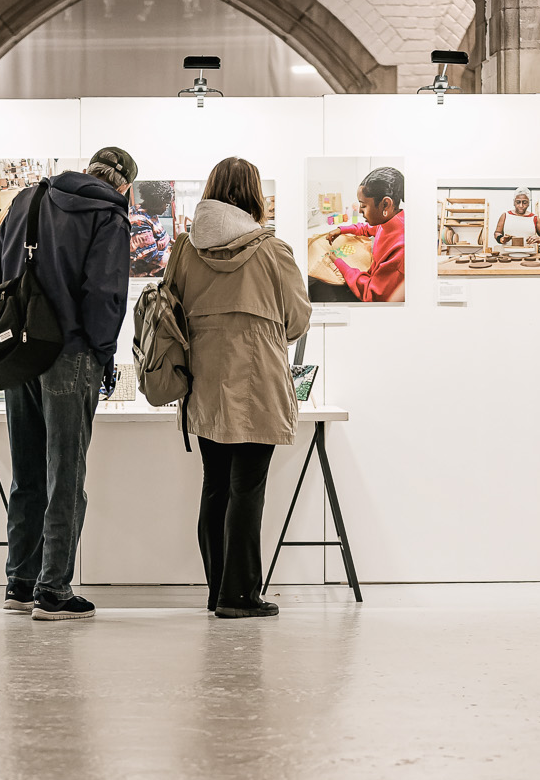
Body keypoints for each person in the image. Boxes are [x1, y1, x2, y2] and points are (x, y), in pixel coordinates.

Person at [0, 146, 136, 620]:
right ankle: (54, 591)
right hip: (71, 353)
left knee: (27, 471)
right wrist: (103, 355)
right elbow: (104, 293)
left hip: (20, 350)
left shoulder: (30, 198)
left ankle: (20, 584)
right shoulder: (109, 213)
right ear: (122, 185)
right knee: (66, 474)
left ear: (88, 170)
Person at [164, 156, 311, 619]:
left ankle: (217, 592)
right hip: (258, 381)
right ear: (254, 196)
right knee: (247, 488)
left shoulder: (184, 250)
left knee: (214, 485)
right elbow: (298, 318)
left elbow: (171, 312)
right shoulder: (274, 251)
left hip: (205, 380)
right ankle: (240, 595)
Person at [323, 165, 405, 302]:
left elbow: (371, 294)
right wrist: (341, 230)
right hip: (370, 280)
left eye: (364, 206)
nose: (360, 211)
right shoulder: (390, 221)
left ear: (385, 204)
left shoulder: (400, 249)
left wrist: (338, 262)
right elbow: (367, 229)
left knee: (323, 291)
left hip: (374, 299)